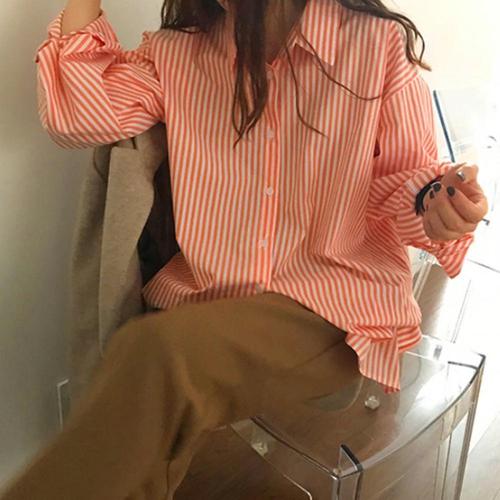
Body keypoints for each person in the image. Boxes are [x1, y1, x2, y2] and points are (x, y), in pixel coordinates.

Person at [1, 0, 488, 499]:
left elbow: (406, 181)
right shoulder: (178, 52)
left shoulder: (375, 46)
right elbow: (76, 113)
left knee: (157, 357)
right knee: (147, 414)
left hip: (329, 307)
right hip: (210, 301)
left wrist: (438, 206)